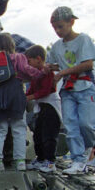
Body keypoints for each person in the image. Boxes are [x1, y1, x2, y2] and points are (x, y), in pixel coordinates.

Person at [0, 33, 45, 171]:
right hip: (16, 94)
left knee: (0, 130)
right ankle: (20, 161)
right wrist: (40, 73)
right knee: (19, 129)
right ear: (13, 45)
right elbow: (26, 70)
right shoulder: (19, 57)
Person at [47, 6, 95, 174]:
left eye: (60, 26)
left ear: (71, 22)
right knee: (70, 125)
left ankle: (86, 150)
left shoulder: (83, 39)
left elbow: (88, 63)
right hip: (68, 89)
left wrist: (62, 72)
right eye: (54, 27)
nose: (57, 30)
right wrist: (48, 67)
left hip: (85, 86)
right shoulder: (56, 46)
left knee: (86, 124)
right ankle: (77, 159)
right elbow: (57, 64)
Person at [23, 44, 60, 173]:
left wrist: (30, 97)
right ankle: (40, 158)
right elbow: (32, 89)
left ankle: (50, 162)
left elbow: (45, 90)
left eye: (29, 61)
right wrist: (24, 96)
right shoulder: (36, 75)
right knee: (38, 134)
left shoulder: (48, 72)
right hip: (41, 107)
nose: (28, 64)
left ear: (38, 59)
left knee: (49, 135)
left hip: (50, 106)